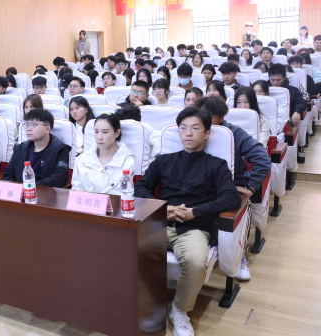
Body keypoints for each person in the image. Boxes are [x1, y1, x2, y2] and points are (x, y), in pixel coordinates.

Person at [134, 107, 242, 336]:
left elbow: (231, 197)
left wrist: (197, 212)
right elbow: (140, 187)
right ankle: (150, 303)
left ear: (207, 133)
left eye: (195, 128)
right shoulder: (164, 161)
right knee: (130, 249)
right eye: (183, 128)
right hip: (160, 224)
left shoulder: (217, 165)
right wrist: (162, 208)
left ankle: (180, 310)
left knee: (194, 261)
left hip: (194, 228)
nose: (188, 133)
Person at [197, 96, 271, 282]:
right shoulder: (196, 130)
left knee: (233, 209)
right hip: (202, 184)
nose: (204, 120)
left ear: (221, 117)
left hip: (232, 184)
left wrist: (252, 186)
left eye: (209, 117)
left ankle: (240, 255)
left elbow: (262, 158)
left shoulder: (234, 133)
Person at [2, 109, 70, 187]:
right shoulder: (20, 148)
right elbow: (7, 175)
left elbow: (59, 178)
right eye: (26, 124)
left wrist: (29, 188)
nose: (28, 128)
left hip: (44, 192)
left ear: (47, 129)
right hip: (19, 192)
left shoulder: (60, 150)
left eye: (34, 124)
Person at [72, 113, 134, 194]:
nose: (99, 137)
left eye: (105, 132)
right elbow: (76, 190)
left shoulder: (127, 161)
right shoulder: (81, 160)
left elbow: (124, 193)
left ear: (117, 133)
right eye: (96, 132)